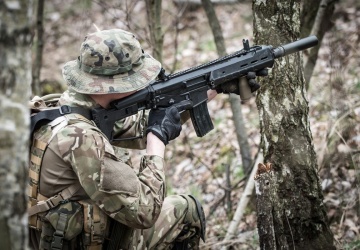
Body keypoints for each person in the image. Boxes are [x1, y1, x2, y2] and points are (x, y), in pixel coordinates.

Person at [28, 28, 262, 250]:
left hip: (55, 237)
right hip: (87, 241)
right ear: (111, 84)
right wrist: (157, 140)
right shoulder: (81, 138)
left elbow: (136, 128)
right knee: (185, 210)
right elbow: (145, 211)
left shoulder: (63, 109)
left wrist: (213, 87)